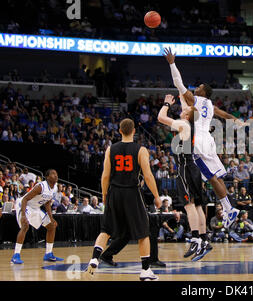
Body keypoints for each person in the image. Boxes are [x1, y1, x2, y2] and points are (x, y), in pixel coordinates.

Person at [164, 48, 244, 229]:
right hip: (207, 139)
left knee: (210, 176)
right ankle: (229, 207)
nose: (196, 87)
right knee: (217, 177)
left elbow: (178, 81)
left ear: (204, 92)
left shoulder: (196, 100)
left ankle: (228, 209)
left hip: (198, 140)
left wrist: (172, 63)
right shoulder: (209, 104)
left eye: (199, 87)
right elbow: (222, 113)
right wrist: (235, 119)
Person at [87, 118, 162, 281]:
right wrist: (156, 196)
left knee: (105, 230)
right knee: (143, 232)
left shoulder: (110, 149)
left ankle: (94, 258)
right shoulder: (141, 150)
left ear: (120, 131)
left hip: (114, 191)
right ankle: (145, 270)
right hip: (132, 193)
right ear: (134, 131)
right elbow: (148, 176)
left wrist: (105, 195)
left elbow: (105, 175)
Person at [157, 94, 211, 261]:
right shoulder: (192, 123)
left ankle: (195, 239)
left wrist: (166, 103)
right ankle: (204, 239)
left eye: (185, 109)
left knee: (189, 205)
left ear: (187, 115)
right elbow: (187, 108)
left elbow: (160, 117)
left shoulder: (183, 124)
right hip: (193, 167)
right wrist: (181, 93)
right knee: (199, 206)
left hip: (185, 168)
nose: (182, 109)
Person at [10, 169, 64, 264]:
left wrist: (51, 218)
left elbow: (47, 203)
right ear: (47, 177)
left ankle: (48, 253)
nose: (56, 176)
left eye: (56, 174)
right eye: (53, 174)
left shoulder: (54, 188)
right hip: (24, 205)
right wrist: (23, 216)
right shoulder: (40, 186)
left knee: (52, 226)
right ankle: (16, 255)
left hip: (35, 208)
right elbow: (25, 199)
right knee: (25, 226)